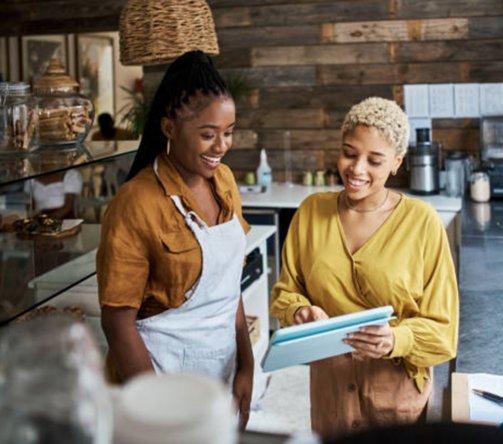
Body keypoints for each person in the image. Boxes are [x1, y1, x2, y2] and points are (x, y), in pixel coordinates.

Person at [270, 97, 459, 440]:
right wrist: (299, 312)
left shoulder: (422, 223)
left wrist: (395, 339)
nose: (357, 169)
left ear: (397, 163)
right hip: (330, 397)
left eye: (374, 160)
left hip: (394, 401)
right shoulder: (311, 211)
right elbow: (286, 291)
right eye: (349, 153)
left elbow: (444, 332)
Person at [96, 50, 253, 429]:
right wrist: (158, 413)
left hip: (223, 373)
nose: (221, 147)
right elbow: (118, 323)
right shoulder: (135, 202)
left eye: (228, 133)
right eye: (207, 135)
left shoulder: (225, 182)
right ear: (169, 128)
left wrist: (247, 365)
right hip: (160, 380)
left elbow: (228, 286)